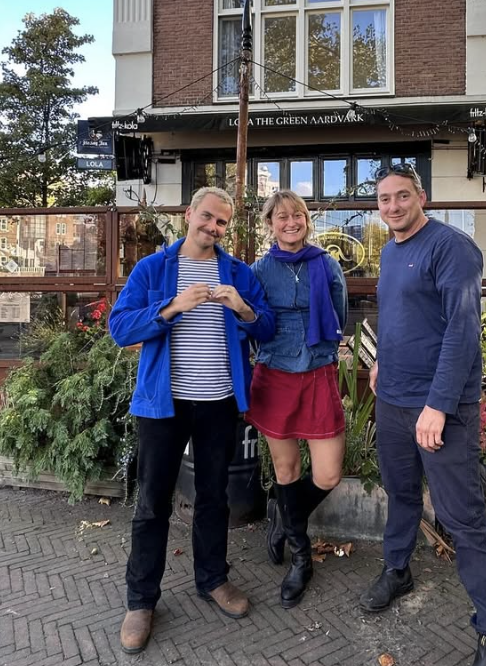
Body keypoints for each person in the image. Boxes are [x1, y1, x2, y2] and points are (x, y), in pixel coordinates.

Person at [109, 186, 274, 654]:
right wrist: (173, 307)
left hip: (219, 402)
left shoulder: (238, 273)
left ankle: (213, 579)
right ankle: (141, 600)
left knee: (214, 497)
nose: (213, 227)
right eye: (207, 217)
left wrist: (242, 308)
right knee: (152, 502)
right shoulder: (153, 268)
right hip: (164, 404)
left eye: (222, 222)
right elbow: (120, 328)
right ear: (189, 214)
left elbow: (266, 326)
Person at [361, 164, 486, 666]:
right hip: (393, 402)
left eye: (402, 196)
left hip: (441, 410)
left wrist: (438, 406)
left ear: (421, 197)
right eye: (385, 199)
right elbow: (400, 316)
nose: (393, 206)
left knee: (463, 519)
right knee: (401, 494)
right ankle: (397, 570)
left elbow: (463, 331)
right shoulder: (389, 250)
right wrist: (381, 360)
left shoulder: (452, 248)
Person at [246, 190, 347, 609]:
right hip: (275, 377)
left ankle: (283, 516)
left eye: (298, 215)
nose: (291, 222)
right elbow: (253, 323)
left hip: (319, 373)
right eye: (282, 216)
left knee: (328, 475)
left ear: (307, 220)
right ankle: (301, 559)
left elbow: (339, 315)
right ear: (270, 224)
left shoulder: (326, 264)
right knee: (286, 471)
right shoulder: (258, 271)